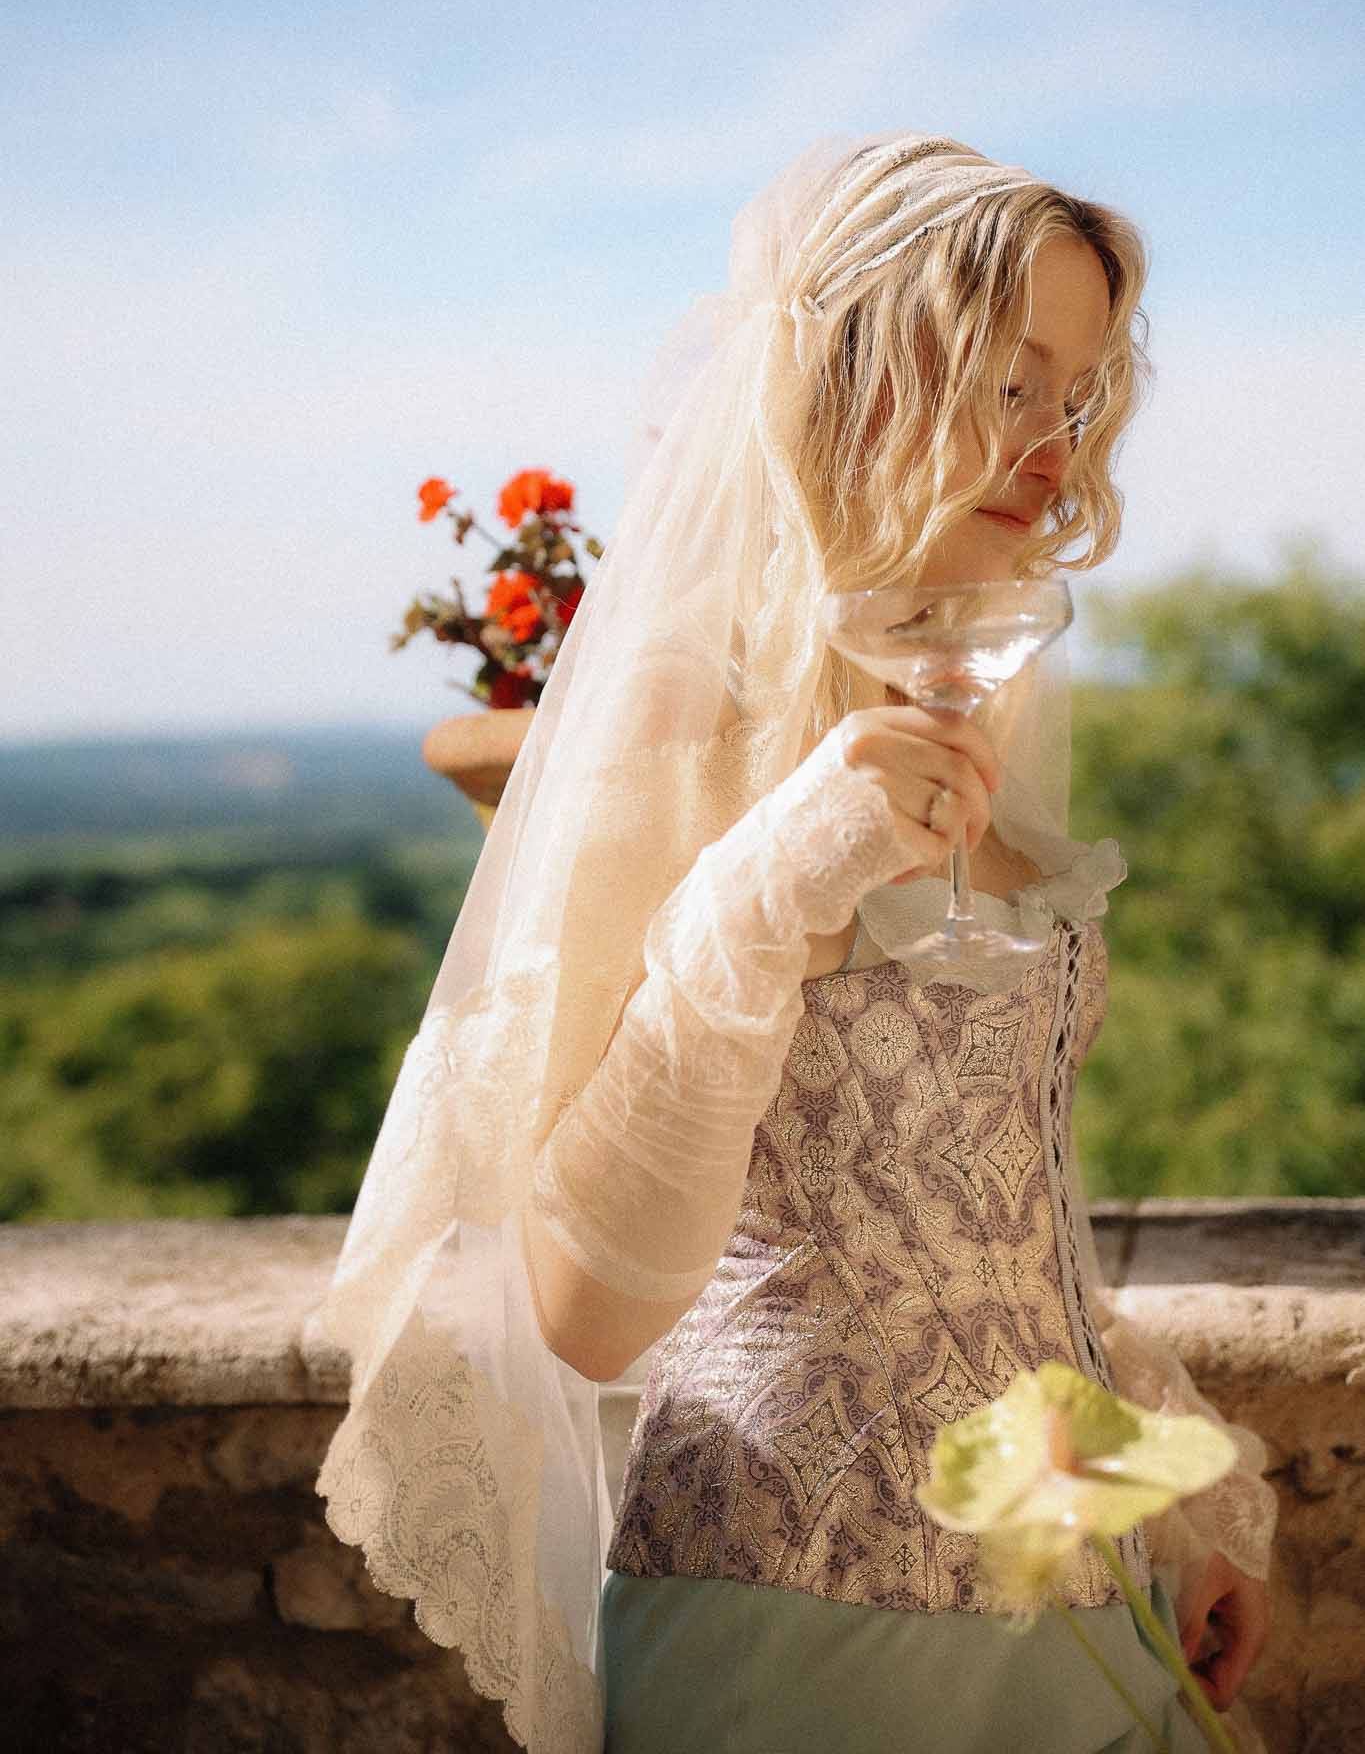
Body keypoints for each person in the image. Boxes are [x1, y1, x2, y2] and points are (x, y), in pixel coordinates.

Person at [302, 135, 1278, 1754]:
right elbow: (581, 1310)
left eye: (1079, 395)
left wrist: (1164, 1511)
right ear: (854, 376)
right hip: (788, 1621)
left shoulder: (981, 702)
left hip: (1072, 1602)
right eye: (1008, 380)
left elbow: (993, 1242)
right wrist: (767, 883)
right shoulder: (680, 721)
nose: (1052, 446)